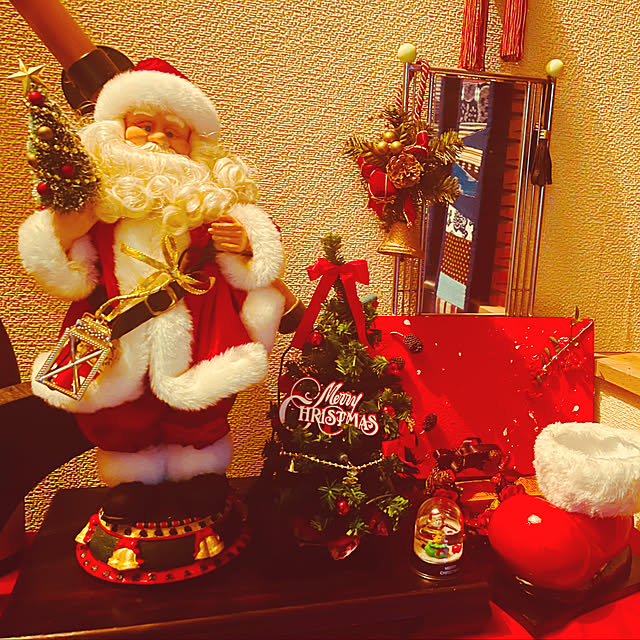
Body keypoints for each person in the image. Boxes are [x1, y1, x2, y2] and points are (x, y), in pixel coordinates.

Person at [18, 58, 285, 523]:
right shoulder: (98, 204)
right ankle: (131, 478)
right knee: (122, 410)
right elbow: (65, 270)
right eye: (144, 126)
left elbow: (258, 249)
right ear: (116, 130)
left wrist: (246, 242)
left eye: (172, 132)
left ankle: (199, 471)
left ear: (193, 144)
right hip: (117, 328)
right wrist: (65, 230)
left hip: (199, 326)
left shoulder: (207, 199)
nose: (158, 139)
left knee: (200, 407)